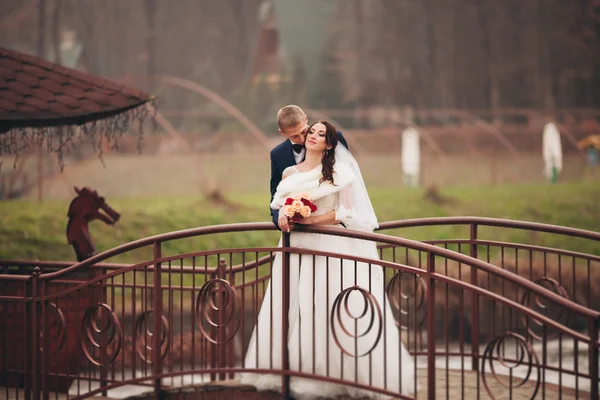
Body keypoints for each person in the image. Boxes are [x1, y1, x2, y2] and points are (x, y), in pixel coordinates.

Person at [241, 121, 416, 399]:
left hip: (328, 244)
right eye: (312, 132)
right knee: (295, 305)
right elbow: (278, 204)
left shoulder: (338, 172)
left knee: (327, 303)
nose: (313, 136)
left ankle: (333, 374)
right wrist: (287, 215)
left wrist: (310, 219)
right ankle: (294, 369)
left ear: (330, 143)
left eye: (321, 134)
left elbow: (344, 211)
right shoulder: (289, 172)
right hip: (297, 246)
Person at [270, 105, 348, 231]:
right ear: (282, 133)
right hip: (297, 234)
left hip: (332, 230)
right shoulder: (278, 155)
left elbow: (349, 186)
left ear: (306, 119)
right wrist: (282, 217)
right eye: (294, 136)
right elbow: (276, 196)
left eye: (303, 132)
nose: (302, 139)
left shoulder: (333, 138)